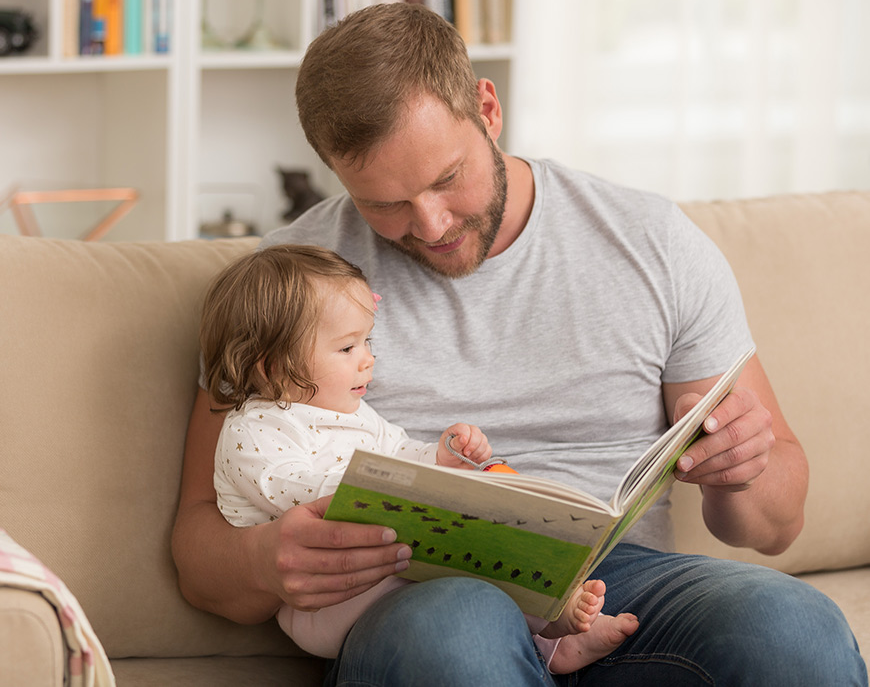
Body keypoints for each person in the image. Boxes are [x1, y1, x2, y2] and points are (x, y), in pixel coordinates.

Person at [172, 2, 867, 686]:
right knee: (459, 627)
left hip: (614, 588)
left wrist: (743, 469)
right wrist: (266, 560)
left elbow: (773, 526)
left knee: (794, 627)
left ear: (488, 109)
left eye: (447, 179)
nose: (432, 223)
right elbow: (199, 546)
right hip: (420, 597)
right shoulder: (284, 283)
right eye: (384, 204)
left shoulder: (652, 241)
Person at [199, 243, 639, 671]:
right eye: (347, 348)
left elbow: (396, 449)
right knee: (455, 569)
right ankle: (554, 636)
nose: (367, 360)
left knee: (469, 557)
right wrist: (383, 491)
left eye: (367, 342)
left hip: (379, 566)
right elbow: (292, 493)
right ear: (273, 367)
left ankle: (552, 638)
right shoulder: (250, 431)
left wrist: (440, 458)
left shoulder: (351, 412)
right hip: (323, 603)